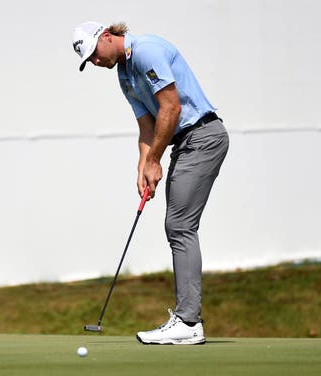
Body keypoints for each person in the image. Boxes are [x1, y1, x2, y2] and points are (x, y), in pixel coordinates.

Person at [72, 21, 229, 345]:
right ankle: (188, 321)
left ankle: (188, 322)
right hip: (183, 144)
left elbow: (171, 108)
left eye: (94, 54)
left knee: (179, 226)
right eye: (89, 61)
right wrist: (144, 166)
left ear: (107, 36)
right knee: (177, 225)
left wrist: (156, 159)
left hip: (202, 136)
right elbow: (148, 125)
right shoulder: (124, 74)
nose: (96, 62)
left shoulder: (146, 51)